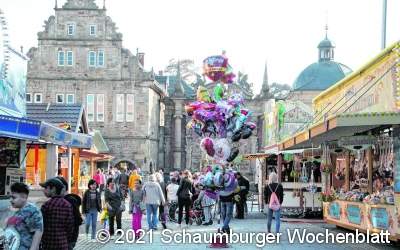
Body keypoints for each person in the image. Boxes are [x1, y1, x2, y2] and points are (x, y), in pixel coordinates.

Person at [40, 178, 74, 250]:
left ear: (53, 189)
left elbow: (40, 226)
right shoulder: (68, 205)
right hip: (63, 244)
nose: (44, 190)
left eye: (46, 188)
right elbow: (70, 227)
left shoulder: (46, 205)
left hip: (48, 244)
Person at [7, 182, 43, 250]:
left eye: (14, 197)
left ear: (24, 197)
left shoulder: (31, 211)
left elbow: (37, 233)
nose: (10, 200)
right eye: (10, 197)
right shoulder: (16, 210)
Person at [55, 176, 83, 250]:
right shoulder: (58, 200)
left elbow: (78, 220)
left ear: (63, 188)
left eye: (55, 188)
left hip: (69, 238)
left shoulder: (70, 200)